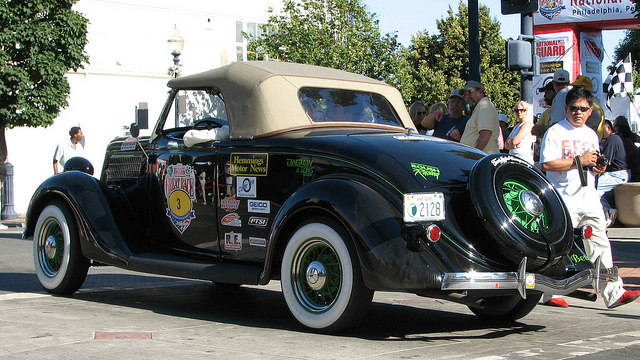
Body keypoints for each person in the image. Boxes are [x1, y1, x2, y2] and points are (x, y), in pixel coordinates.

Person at [539, 86, 640, 308]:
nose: (578, 112)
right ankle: (549, 291)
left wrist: (598, 168)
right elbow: (547, 164)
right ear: (566, 109)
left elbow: (591, 165)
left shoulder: (591, 135)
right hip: (564, 199)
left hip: (589, 198)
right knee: (559, 247)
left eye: (583, 108)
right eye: (574, 108)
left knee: (601, 245)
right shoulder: (556, 132)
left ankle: (614, 292)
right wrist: (579, 161)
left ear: (589, 111)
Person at [459, 80, 500, 154]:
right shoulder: (480, 107)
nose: (467, 97)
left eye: (470, 92)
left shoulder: (484, 105)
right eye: (465, 95)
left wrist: (475, 155)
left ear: (480, 92)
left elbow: (486, 132)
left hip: (483, 159)